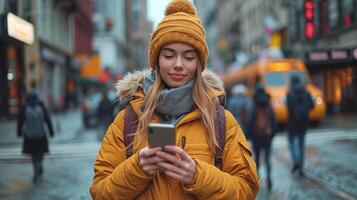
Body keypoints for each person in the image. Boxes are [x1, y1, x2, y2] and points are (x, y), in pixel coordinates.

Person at [90, 0, 260, 199]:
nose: (178, 65)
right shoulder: (127, 120)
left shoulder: (222, 121)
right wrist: (137, 168)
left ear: (198, 63)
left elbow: (247, 190)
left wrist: (197, 176)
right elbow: (100, 192)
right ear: (157, 60)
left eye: (188, 57)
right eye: (169, 55)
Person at [17, 82, 54, 183]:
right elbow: (47, 119)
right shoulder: (41, 105)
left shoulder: (25, 107)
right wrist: (51, 131)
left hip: (29, 136)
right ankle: (39, 165)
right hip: (41, 135)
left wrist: (19, 132)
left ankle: (35, 168)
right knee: (40, 152)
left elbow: (20, 121)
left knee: (33, 154)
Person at [248, 83, 277, 190]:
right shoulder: (268, 104)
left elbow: (250, 121)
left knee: (257, 159)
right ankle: (269, 179)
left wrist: (250, 136)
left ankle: (257, 180)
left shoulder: (254, 104)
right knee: (267, 159)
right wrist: (272, 134)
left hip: (257, 137)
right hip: (267, 137)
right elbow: (274, 121)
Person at [286, 75, 314, 177]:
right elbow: (312, 105)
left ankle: (295, 160)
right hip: (304, 123)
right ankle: (301, 167)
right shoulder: (306, 92)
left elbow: (289, 108)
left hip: (292, 123)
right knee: (301, 145)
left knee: (291, 142)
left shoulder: (290, 94)